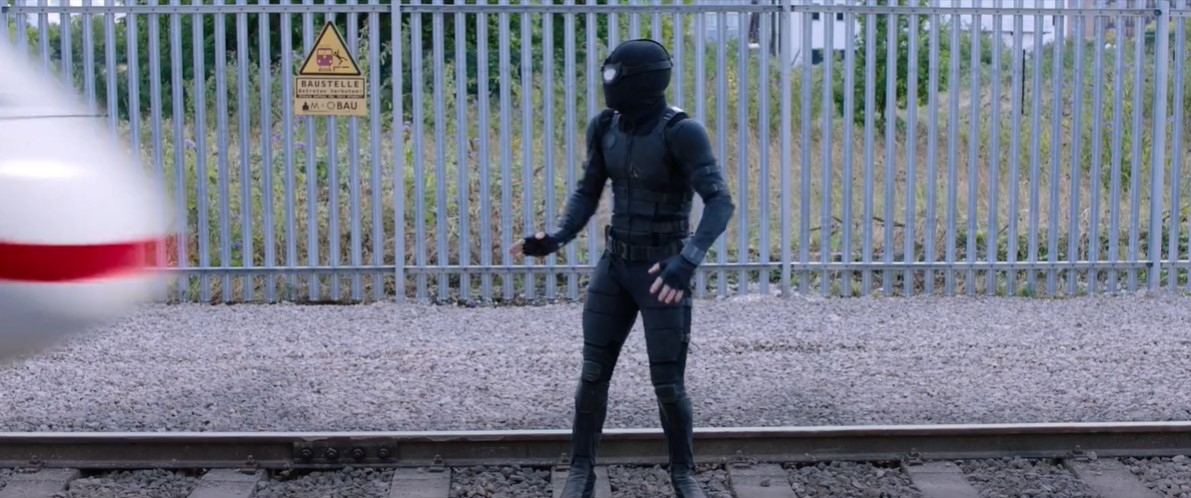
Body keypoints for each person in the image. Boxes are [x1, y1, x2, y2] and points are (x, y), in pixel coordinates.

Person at [509, 38, 735, 498]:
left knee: (668, 385)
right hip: (615, 268)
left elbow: (720, 201)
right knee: (593, 373)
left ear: (644, 82)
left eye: (615, 76)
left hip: (661, 274)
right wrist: (556, 238)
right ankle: (581, 472)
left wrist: (686, 260)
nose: (608, 84)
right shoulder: (605, 126)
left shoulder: (682, 132)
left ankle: (683, 474)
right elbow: (588, 190)